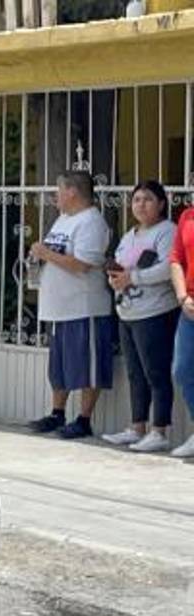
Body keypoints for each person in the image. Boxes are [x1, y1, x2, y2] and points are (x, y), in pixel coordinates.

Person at [28, 170, 113, 439]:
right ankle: (57, 413)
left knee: (88, 366)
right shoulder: (63, 219)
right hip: (58, 307)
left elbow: (83, 264)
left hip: (84, 306)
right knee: (60, 366)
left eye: (59, 190)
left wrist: (45, 253)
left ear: (72, 191)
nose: (56, 196)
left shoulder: (91, 222)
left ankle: (84, 419)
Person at [101, 180, 179, 452]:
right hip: (128, 312)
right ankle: (137, 427)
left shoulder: (167, 231)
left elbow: (168, 268)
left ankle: (160, 431)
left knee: (156, 372)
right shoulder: (129, 235)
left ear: (161, 204)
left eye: (147, 199)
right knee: (135, 373)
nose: (141, 205)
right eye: (136, 200)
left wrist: (133, 278)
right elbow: (121, 265)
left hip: (155, 312)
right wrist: (115, 279)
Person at [169, 200, 194, 458]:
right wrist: (182, 296)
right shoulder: (187, 217)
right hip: (190, 307)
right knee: (183, 369)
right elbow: (176, 259)